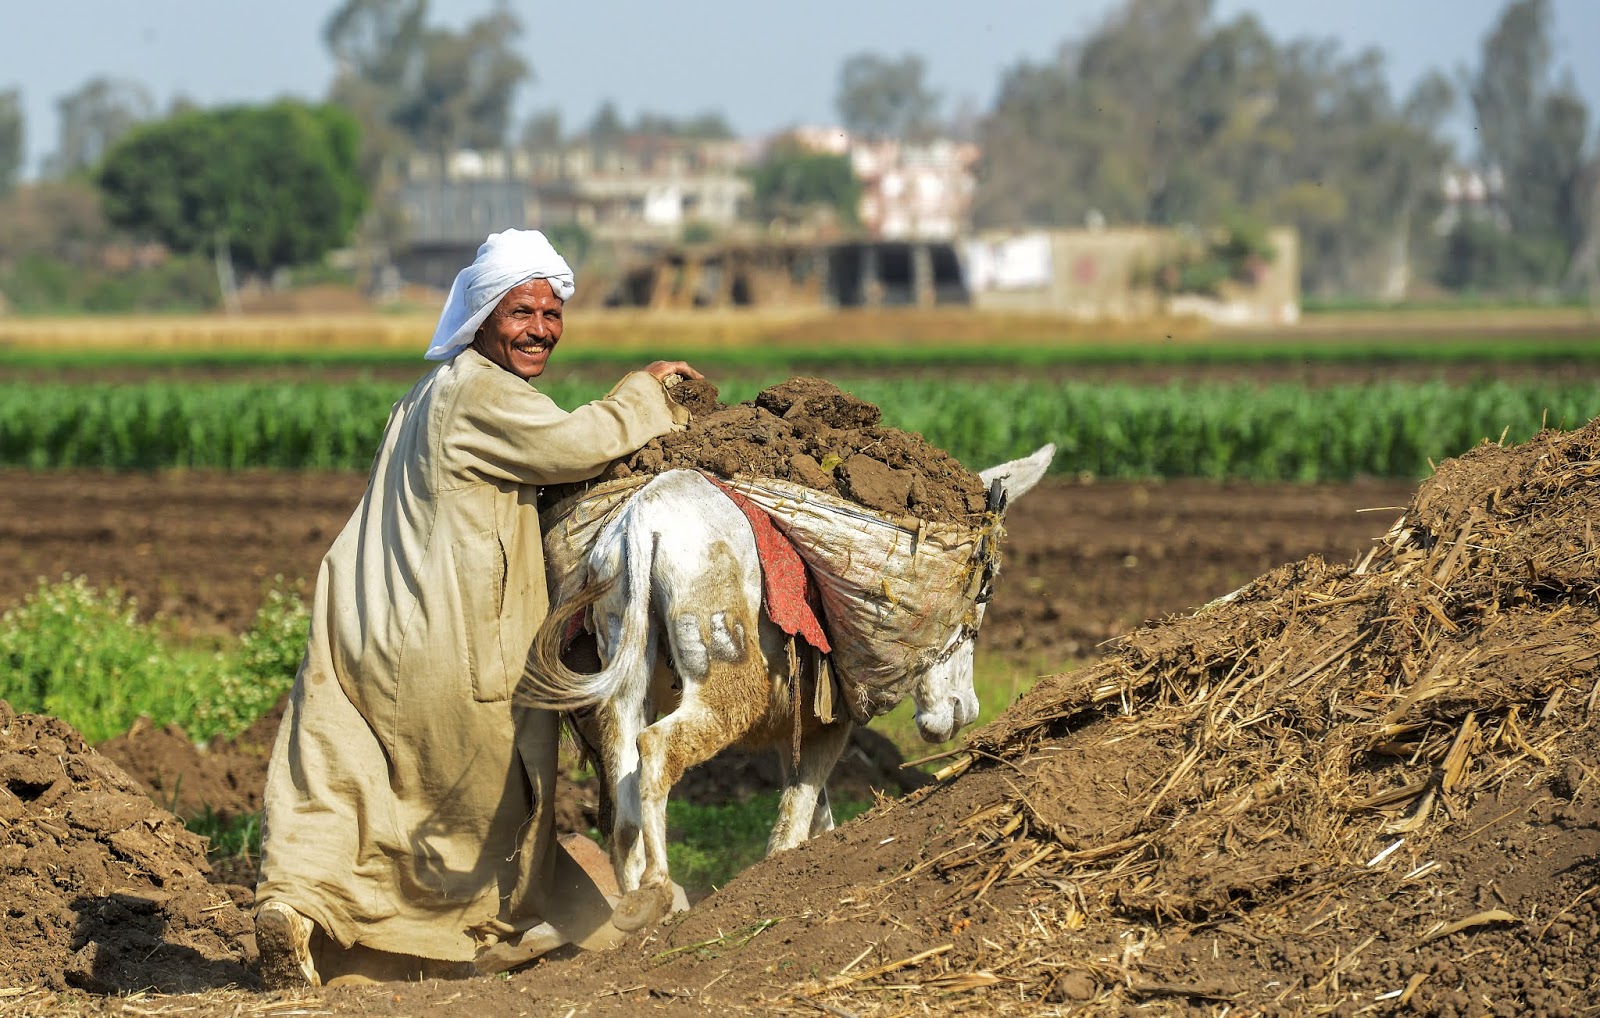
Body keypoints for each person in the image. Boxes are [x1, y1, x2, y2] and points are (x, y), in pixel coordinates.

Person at [253, 228, 702, 988]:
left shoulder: (427, 393)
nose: (540, 329)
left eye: (552, 313)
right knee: (478, 813)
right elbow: (577, 444)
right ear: (483, 316)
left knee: (345, 783)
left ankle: (299, 912)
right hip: (449, 640)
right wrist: (648, 391)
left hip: (367, 630)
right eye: (521, 312)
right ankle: (477, 940)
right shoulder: (484, 395)